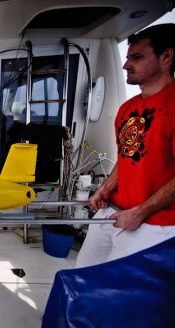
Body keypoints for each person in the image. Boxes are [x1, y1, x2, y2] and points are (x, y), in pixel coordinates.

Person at [76, 24, 175, 268]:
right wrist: (105, 188)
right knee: (83, 274)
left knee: (116, 293)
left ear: (166, 57)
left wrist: (140, 212)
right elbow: (128, 157)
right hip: (114, 210)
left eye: (137, 57)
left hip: (154, 222)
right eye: (128, 56)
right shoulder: (128, 109)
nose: (125, 64)